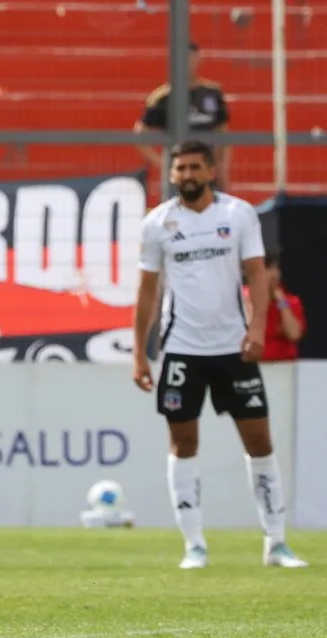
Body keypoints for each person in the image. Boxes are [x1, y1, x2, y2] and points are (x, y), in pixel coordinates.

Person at [132, 140, 307, 570]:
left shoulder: (238, 214)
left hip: (233, 348)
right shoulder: (158, 224)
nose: (187, 175)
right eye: (180, 169)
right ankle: (194, 545)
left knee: (260, 442)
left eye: (194, 167)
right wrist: (139, 352)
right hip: (181, 350)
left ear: (211, 170)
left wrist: (254, 329)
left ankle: (276, 543)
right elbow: (148, 292)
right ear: (171, 175)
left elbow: (256, 275)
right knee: (183, 443)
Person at [135, 42, 232, 190]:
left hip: (207, 170)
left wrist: (220, 167)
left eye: (191, 58)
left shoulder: (212, 93)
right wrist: (163, 163)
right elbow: (140, 134)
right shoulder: (163, 97)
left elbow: (223, 133)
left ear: (199, 60)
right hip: (178, 172)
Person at [246, 253, 305, 362]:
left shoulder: (290, 301)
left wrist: (280, 300)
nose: (275, 274)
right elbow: (248, 328)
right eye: (269, 270)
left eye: (276, 269)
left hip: (284, 365)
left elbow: (294, 334)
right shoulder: (245, 297)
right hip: (254, 363)